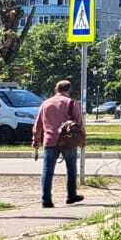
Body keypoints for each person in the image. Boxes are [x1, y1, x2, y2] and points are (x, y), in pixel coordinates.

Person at [32, 79, 86, 208]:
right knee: (71, 169)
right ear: (68, 90)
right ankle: (71, 195)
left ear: (56, 89)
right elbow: (79, 124)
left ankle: (46, 200)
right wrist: (83, 140)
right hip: (68, 141)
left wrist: (36, 140)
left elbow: (38, 124)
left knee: (47, 171)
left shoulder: (45, 103)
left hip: (49, 140)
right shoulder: (72, 103)